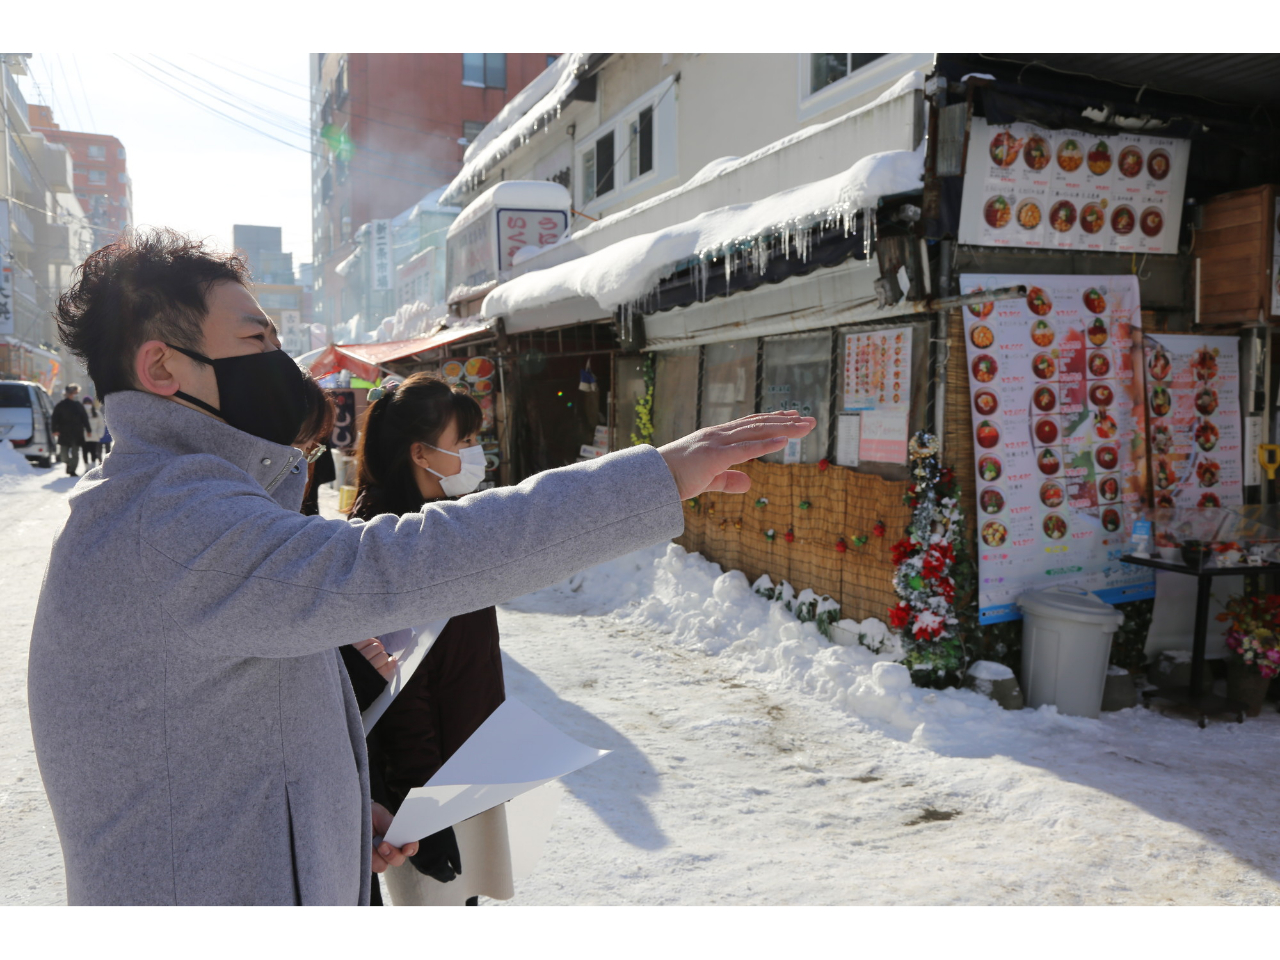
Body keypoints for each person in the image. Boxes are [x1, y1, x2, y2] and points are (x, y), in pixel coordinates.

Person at [28, 228, 814, 905]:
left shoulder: (184, 502)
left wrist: (330, 805)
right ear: (164, 369)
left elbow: (224, 730)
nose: (283, 364)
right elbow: (398, 563)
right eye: (257, 342)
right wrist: (652, 480)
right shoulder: (168, 520)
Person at [341, 375, 509, 907]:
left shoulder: (444, 525)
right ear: (421, 452)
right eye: (463, 443)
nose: (474, 454)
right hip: (428, 788)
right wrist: (424, 811)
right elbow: (399, 692)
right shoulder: (388, 541)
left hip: (467, 763)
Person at [50, 383, 90, 476]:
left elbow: (85, 418)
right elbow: (54, 418)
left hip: (77, 433)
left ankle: (72, 470)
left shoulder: (79, 405)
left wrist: (88, 429)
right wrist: (54, 430)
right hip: (64, 433)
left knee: (75, 453)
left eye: (77, 392)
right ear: (68, 393)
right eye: (74, 393)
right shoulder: (61, 405)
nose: (76, 394)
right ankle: (68, 463)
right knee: (63, 455)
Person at [80, 395, 103, 466]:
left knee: (94, 452)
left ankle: (93, 466)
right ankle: (86, 467)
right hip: (83, 437)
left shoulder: (97, 413)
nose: (87, 405)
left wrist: (99, 434)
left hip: (94, 437)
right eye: (85, 403)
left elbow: (101, 425)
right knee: (84, 452)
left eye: (89, 403)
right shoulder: (80, 414)